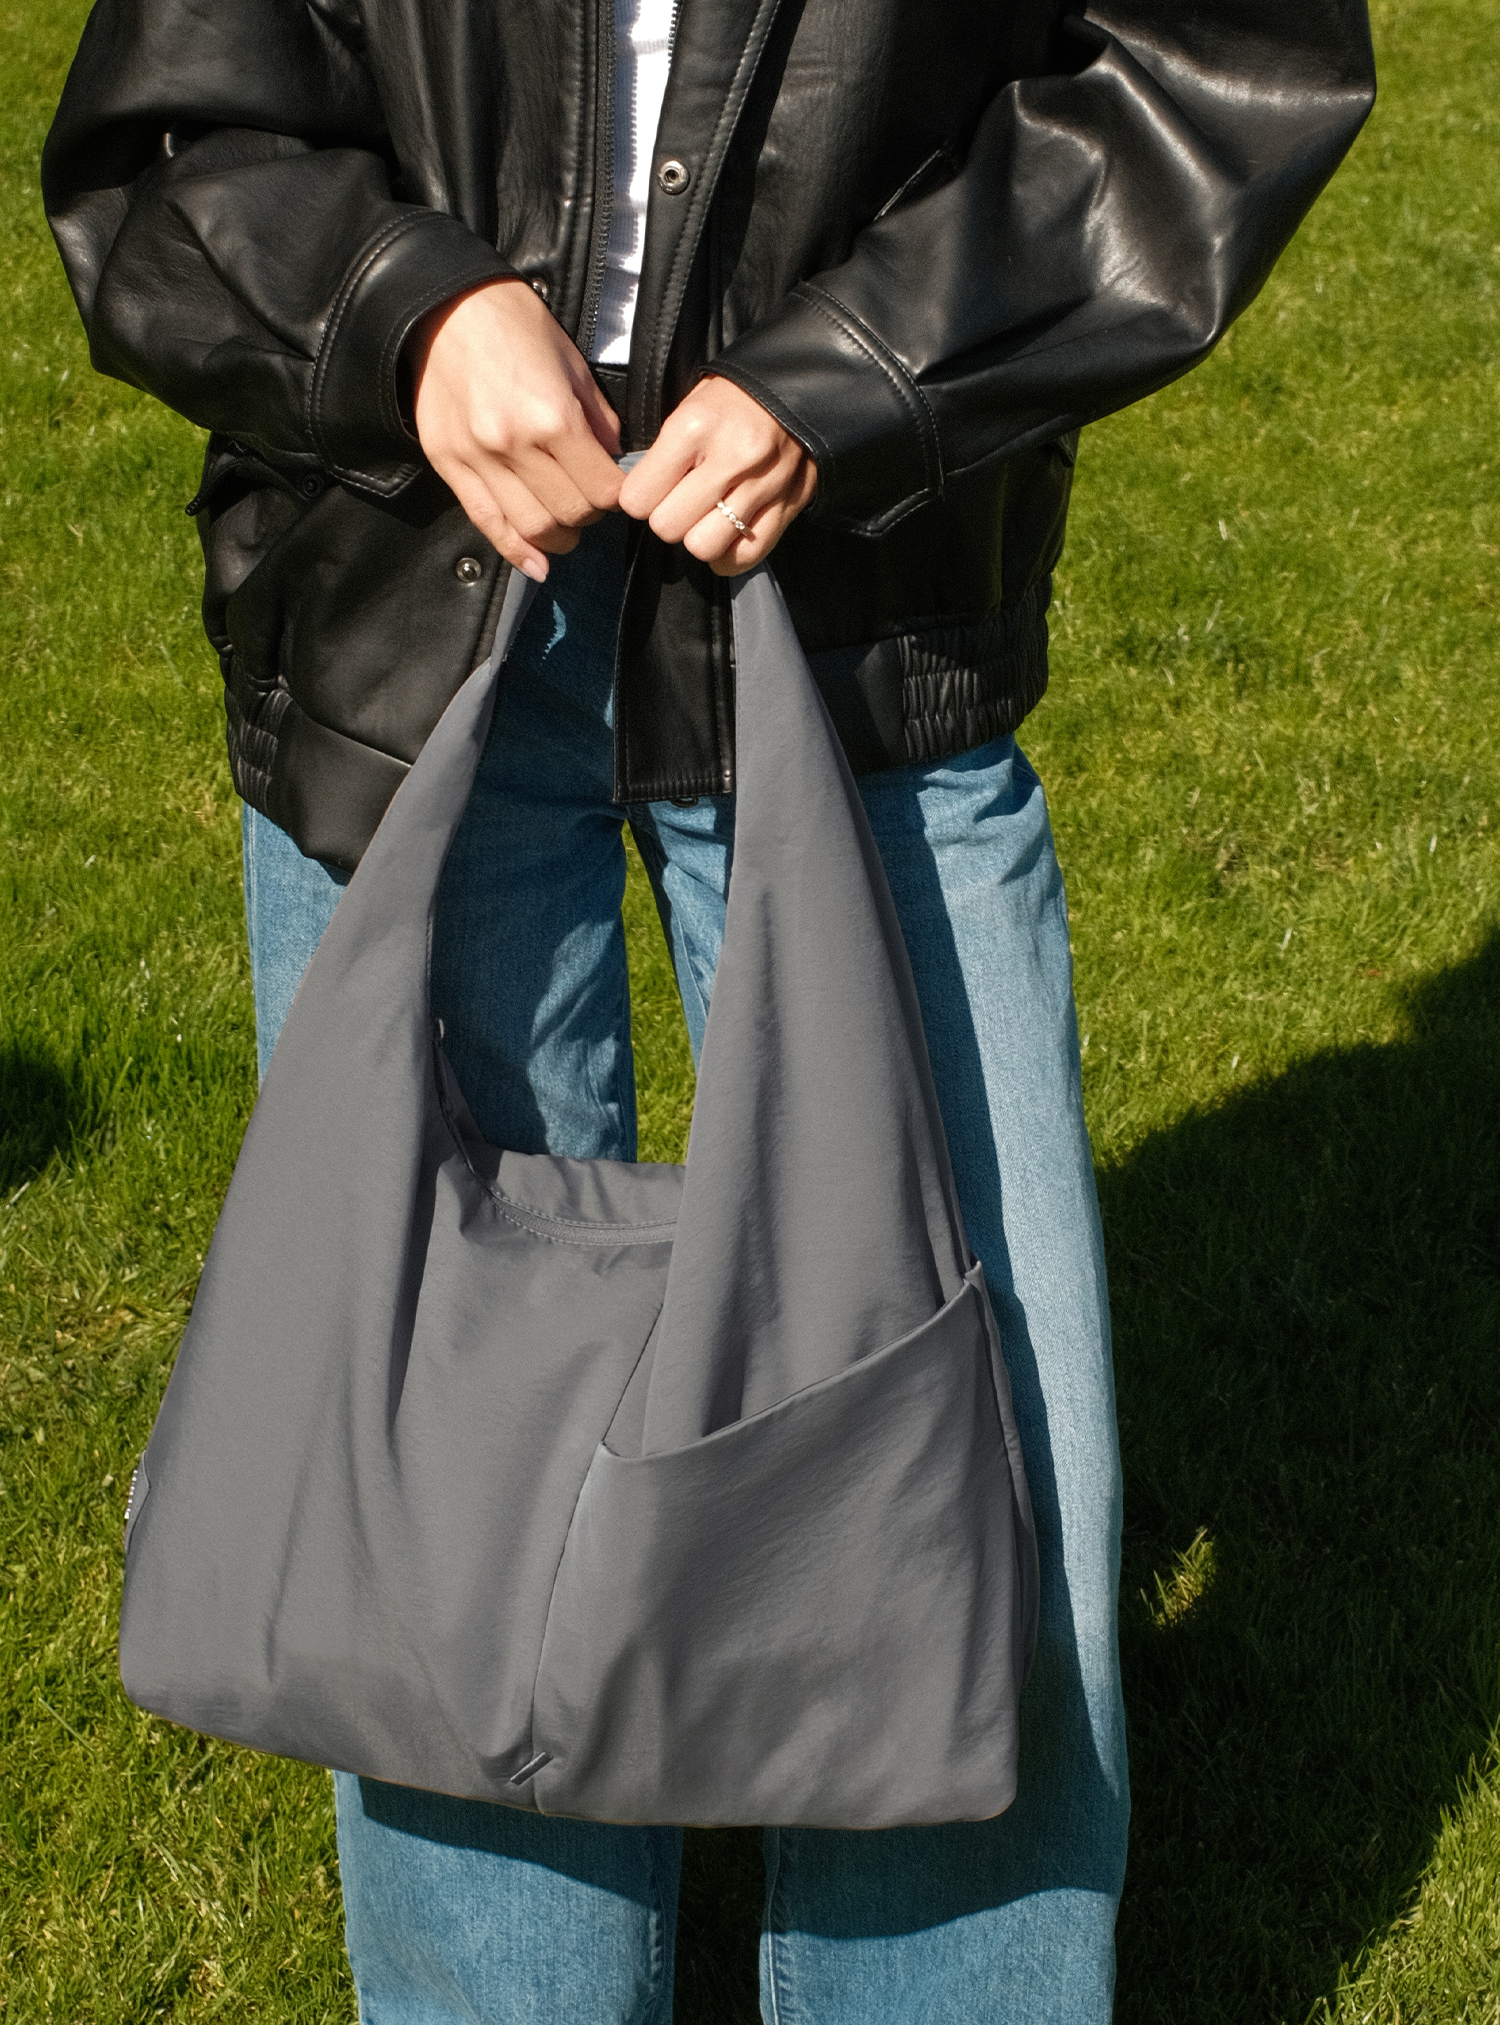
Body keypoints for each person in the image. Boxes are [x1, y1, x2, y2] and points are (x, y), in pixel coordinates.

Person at [43, 0, 1373, 2014]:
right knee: (432, 1493)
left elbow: (1216, 72)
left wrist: (865, 370)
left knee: (972, 1469)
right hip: (405, 607)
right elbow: (169, 137)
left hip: (864, 624)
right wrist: (404, 309)